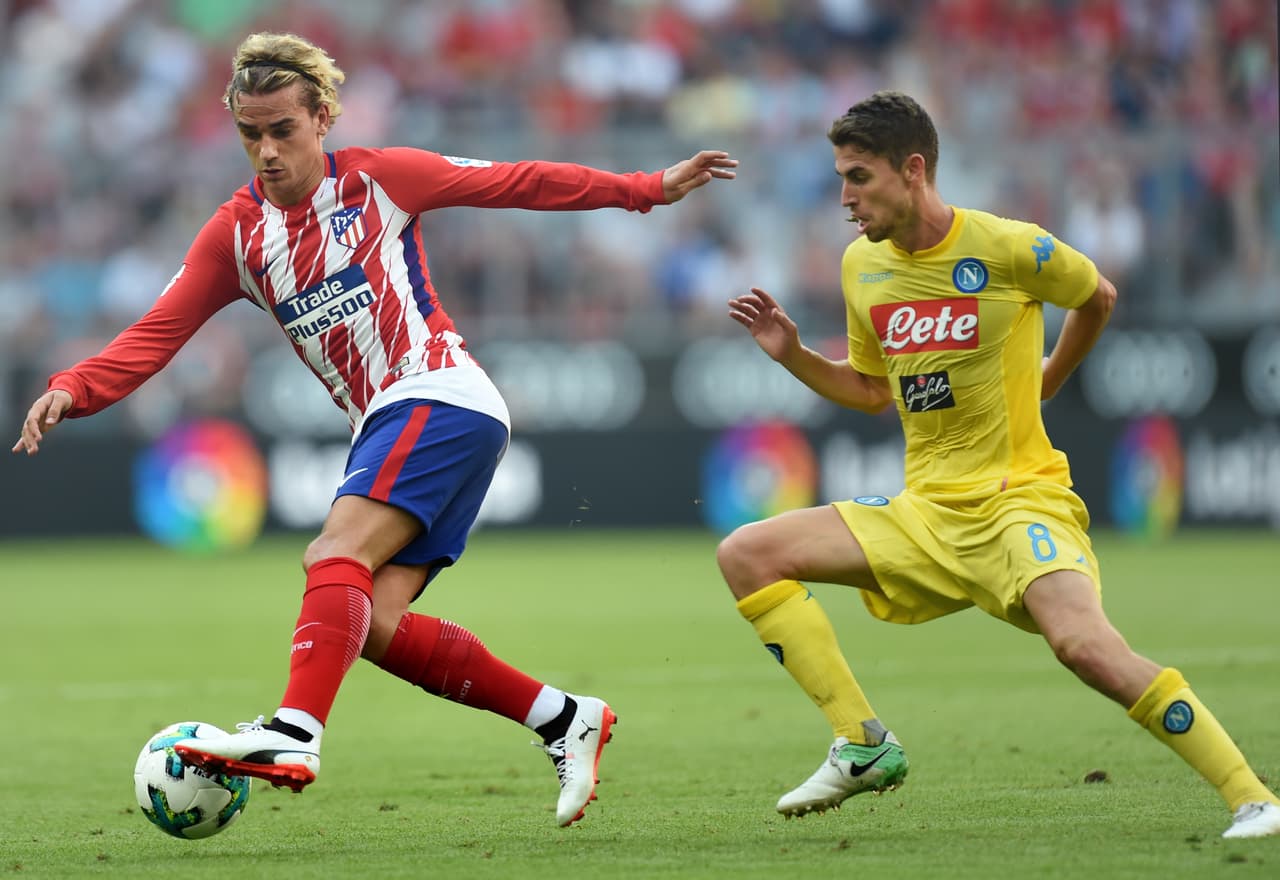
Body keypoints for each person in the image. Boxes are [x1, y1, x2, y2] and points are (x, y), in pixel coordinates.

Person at [11, 31, 736, 828]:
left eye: (282, 129)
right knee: (375, 623)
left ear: (322, 117)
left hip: (438, 392)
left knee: (333, 553)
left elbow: (515, 180)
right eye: (250, 134)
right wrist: (72, 387)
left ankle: (295, 730)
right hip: (399, 420)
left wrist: (642, 187)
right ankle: (565, 719)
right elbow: (159, 330)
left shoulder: (380, 180)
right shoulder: (238, 237)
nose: (266, 151)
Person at [718, 90, 1280, 840]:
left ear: (912, 170)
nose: (845, 198)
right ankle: (862, 744)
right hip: (926, 515)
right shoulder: (863, 268)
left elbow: (1097, 297)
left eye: (859, 177)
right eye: (840, 179)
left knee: (1085, 647)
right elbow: (871, 393)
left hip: (1020, 503)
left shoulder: (1010, 247)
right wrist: (793, 357)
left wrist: (1048, 376)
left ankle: (1253, 797)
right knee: (747, 552)